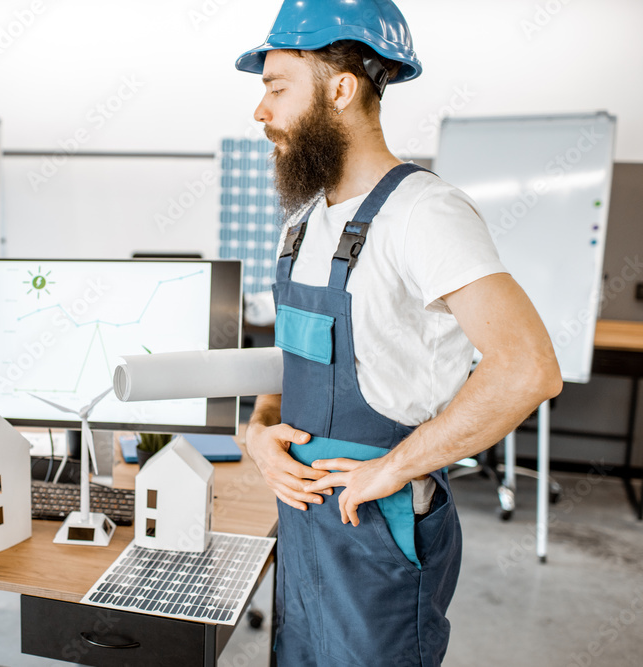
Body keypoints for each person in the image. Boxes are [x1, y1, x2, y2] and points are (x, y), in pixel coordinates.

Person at [236, 1, 563, 665]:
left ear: (340, 88)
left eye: (275, 88)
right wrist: (261, 429)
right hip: (302, 518)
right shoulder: (302, 223)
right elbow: (296, 360)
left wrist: (394, 466)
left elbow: (528, 366)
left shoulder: (425, 213)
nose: (259, 112)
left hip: (378, 525)